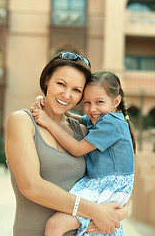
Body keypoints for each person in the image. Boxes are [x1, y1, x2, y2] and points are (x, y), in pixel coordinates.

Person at [5, 51, 128, 236]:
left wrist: (118, 213)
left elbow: (115, 180)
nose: (66, 94)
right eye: (61, 84)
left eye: (77, 90)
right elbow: (31, 186)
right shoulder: (23, 121)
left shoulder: (83, 130)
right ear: (47, 80)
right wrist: (94, 211)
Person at [31, 70, 135, 236]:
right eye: (87, 102)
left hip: (107, 186)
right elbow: (73, 116)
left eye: (99, 101)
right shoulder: (100, 117)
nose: (92, 108)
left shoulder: (110, 123)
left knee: (55, 225)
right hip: (104, 184)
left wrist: (48, 122)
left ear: (116, 101)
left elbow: (77, 149)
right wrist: (45, 102)